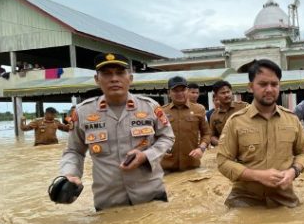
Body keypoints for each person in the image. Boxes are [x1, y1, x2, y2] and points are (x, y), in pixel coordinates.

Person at [59, 53, 174, 211]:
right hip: (109, 201)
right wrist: (70, 174)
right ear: (97, 79)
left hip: (151, 195)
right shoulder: (82, 112)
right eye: (106, 74)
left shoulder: (150, 107)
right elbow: (74, 150)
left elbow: (167, 137)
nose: (114, 79)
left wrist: (146, 156)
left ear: (130, 78)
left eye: (120, 73)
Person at [217, 59, 304, 208]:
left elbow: (303, 153)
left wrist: (293, 171)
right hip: (244, 199)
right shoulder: (236, 121)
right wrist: (257, 175)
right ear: (251, 87)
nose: (269, 89)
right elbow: (223, 162)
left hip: (284, 198)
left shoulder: (292, 120)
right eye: (263, 84)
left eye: (274, 84)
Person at [160, 76, 211, 172]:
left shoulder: (199, 109)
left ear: (187, 91)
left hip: (191, 165)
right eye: (175, 91)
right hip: (167, 167)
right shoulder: (161, 112)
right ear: (169, 93)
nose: (179, 93)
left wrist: (201, 148)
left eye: (182, 90)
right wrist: (160, 150)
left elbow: (207, 134)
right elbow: (154, 136)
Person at [209, 80, 248, 146]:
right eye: (223, 93)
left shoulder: (244, 107)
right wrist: (220, 143)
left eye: (228, 92)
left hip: (246, 147)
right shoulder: (214, 116)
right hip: (226, 151)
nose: (227, 95)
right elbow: (212, 136)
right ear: (216, 96)